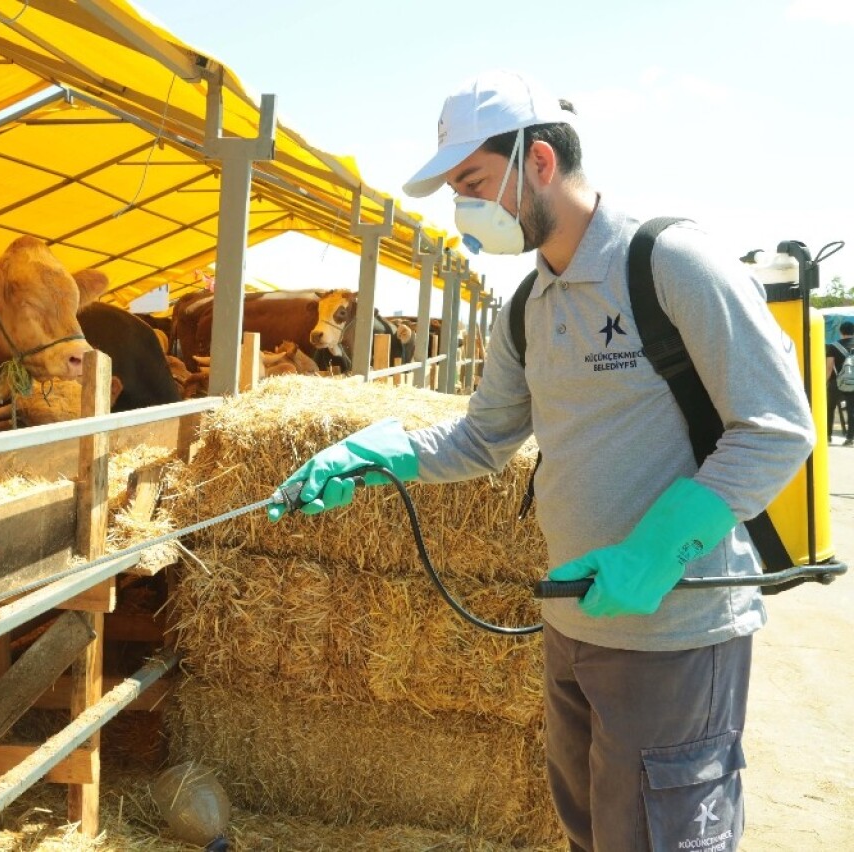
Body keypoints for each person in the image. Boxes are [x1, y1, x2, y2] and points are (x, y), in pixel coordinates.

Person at [268, 70, 814, 851]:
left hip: (676, 633)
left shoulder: (669, 262)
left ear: (541, 162)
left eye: (474, 183)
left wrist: (658, 550)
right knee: (590, 831)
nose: (464, 210)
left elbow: (776, 427)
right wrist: (376, 454)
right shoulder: (527, 304)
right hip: (575, 623)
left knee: (662, 839)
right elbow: (480, 440)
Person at [826, 320, 854, 445]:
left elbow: (829, 366)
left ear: (841, 332)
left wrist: (825, 381)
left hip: (836, 382)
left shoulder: (833, 346)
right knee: (851, 410)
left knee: (829, 409)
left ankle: (827, 435)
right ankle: (850, 437)